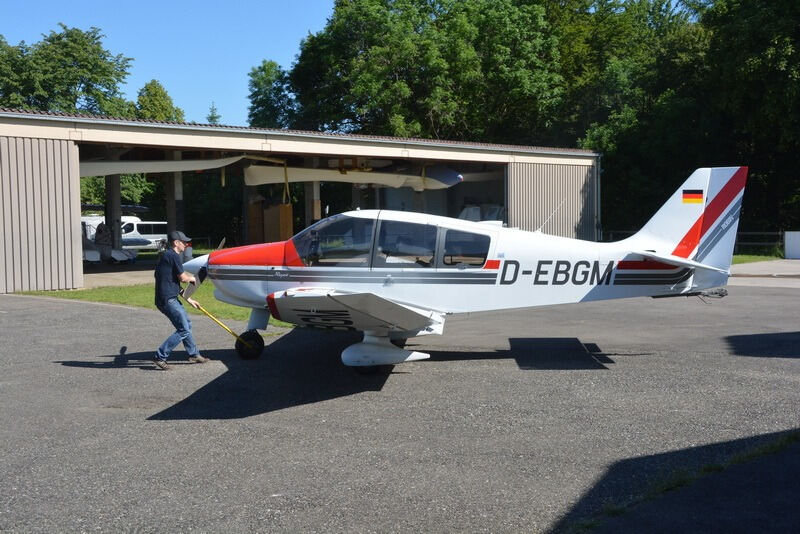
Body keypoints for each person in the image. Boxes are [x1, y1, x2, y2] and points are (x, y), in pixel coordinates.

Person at [152, 230, 209, 370]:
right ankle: (160, 356)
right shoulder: (173, 256)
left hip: (167, 298)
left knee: (186, 325)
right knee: (183, 329)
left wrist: (189, 299)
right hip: (168, 300)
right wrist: (194, 279)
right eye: (184, 242)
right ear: (176, 243)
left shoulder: (165, 256)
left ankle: (194, 354)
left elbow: (172, 283)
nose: (186, 244)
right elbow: (183, 278)